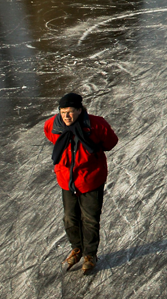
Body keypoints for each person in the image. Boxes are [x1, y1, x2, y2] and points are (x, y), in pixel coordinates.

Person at [43, 92, 119, 276]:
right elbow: (50, 136)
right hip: (66, 180)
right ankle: (77, 249)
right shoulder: (53, 125)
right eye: (62, 112)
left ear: (79, 110)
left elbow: (111, 142)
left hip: (91, 179)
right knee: (70, 219)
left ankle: (90, 255)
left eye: (70, 112)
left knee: (90, 219)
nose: (66, 116)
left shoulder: (96, 125)